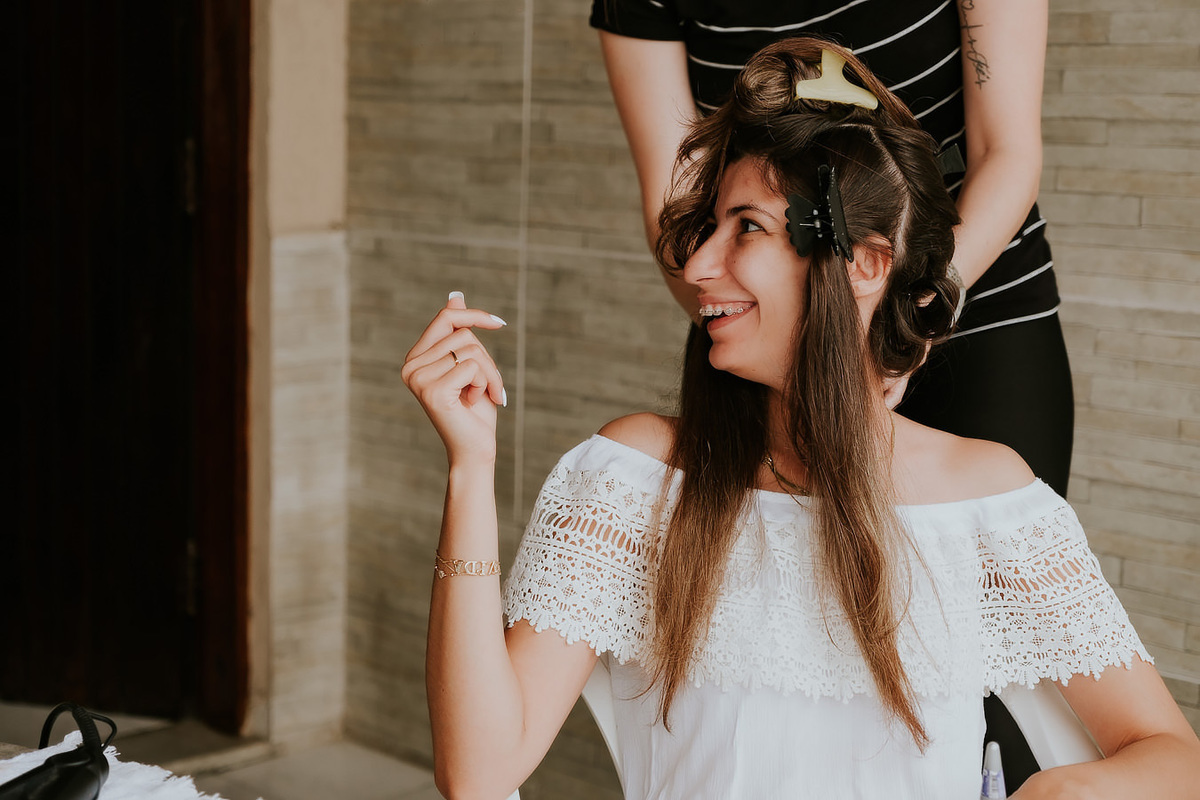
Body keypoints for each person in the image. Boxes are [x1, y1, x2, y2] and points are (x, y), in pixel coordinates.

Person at [402, 39, 1200, 800]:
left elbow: (1172, 759)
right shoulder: (634, 479)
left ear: (866, 265)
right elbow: (477, 771)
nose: (698, 264)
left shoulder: (986, 504)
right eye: (708, 226)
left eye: (746, 227)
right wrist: (470, 470)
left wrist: (1072, 785)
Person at [592, 1, 1070, 784]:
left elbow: (1006, 150)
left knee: (991, 689)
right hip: (778, 300)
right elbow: (677, 205)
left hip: (963, 291)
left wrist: (904, 317)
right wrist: (778, 323)